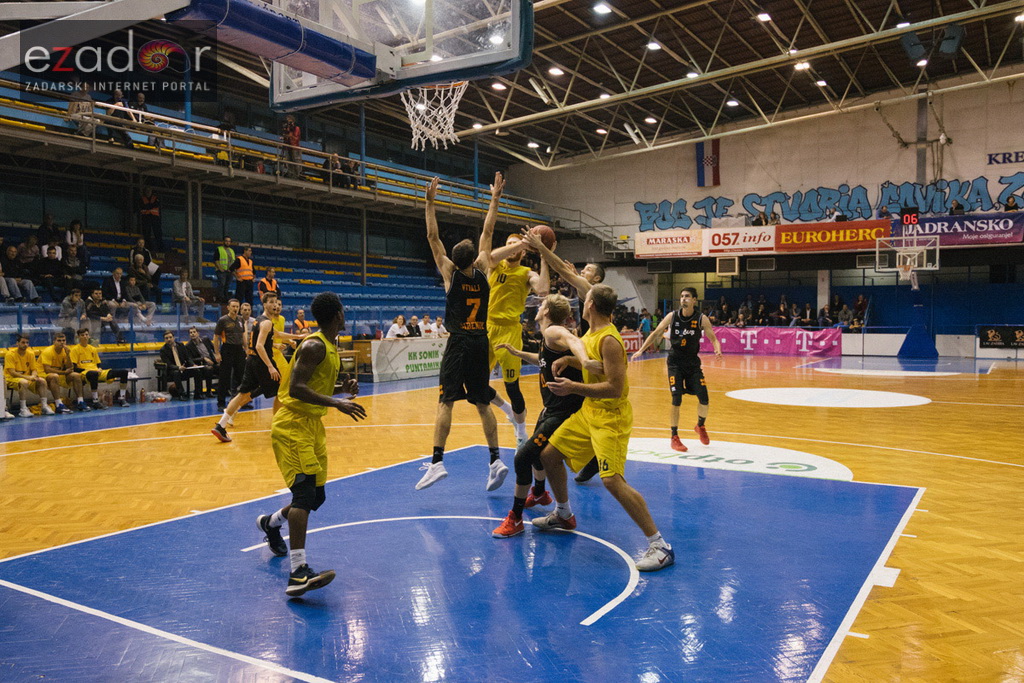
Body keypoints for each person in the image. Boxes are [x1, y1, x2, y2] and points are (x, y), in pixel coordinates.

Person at [533, 284, 675, 572]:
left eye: (585, 298)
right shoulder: (590, 333)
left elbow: (614, 387)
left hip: (611, 417)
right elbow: (594, 367)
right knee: (548, 455)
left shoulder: (609, 340)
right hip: (589, 412)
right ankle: (563, 514)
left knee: (612, 481)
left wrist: (573, 386)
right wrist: (570, 360)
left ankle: (660, 546)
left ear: (591, 306)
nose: (582, 301)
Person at [255, 291, 365, 597]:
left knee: (316, 497)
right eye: (343, 311)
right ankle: (298, 571)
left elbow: (315, 385)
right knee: (303, 495)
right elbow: (296, 388)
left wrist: (342, 389)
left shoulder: (330, 346)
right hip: (293, 424)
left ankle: (271, 523)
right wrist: (337, 403)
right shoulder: (314, 345)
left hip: (312, 426)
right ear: (338, 315)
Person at [415, 175, 514, 491]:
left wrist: (430, 202)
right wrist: (495, 198)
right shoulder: (483, 270)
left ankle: (437, 463)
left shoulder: (450, 274)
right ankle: (495, 460)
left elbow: (432, 236)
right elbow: (488, 231)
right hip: (481, 342)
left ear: (455, 261)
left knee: (446, 402)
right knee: (483, 402)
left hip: (458, 343)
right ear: (473, 259)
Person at [491, 294, 595, 538]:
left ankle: (515, 519)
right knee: (536, 455)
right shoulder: (547, 336)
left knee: (522, 458)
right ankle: (539, 493)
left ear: (546, 311)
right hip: (551, 408)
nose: (538, 307)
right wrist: (518, 353)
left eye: (542, 305)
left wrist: (585, 361)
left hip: (563, 412)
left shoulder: (554, 331)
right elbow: (543, 360)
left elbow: (573, 340)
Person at [521, 228, 607, 482]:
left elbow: (563, 271)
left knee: (587, 409)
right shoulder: (587, 296)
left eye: (588, 270)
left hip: (593, 355)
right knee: (581, 410)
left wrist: (543, 249)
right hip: (587, 352)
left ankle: (598, 457)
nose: (583, 271)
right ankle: (589, 457)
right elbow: (568, 275)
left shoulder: (593, 292)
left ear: (597, 279)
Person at [484, 208, 550, 446]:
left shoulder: (526, 273)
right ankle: (508, 411)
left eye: (517, 245)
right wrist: (521, 242)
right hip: (486, 328)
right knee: (475, 385)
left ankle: (521, 433)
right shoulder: (494, 266)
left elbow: (543, 289)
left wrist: (544, 255)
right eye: (509, 244)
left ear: (523, 252)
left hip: (509, 332)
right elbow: (490, 257)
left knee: (512, 386)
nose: (513, 247)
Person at [632, 286, 722, 453]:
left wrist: (717, 350)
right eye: (681, 296)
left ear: (694, 300)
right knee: (676, 399)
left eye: (687, 296)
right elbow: (656, 333)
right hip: (675, 363)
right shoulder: (672, 316)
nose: (683, 299)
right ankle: (674, 436)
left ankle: (700, 425)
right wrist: (641, 350)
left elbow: (713, 338)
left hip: (692, 364)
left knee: (704, 398)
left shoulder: (701, 319)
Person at [212, 294, 306, 441]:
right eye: (271, 302)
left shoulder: (259, 320)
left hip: (252, 360)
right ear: (264, 304)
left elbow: (277, 334)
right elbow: (259, 346)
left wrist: (297, 337)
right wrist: (270, 366)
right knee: (281, 390)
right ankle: (279, 426)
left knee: (242, 394)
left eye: (276, 302)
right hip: (261, 361)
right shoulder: (266, 322)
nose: (275, 305)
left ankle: (221, 425)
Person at [69, 328, 130, 408]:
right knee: (93, 374)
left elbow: (98, 364)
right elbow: (74, 368)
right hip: (84, 373)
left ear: (89, 336)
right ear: (78, 337)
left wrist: (99, 369)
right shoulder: (74, 350)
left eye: (86, 335)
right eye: (82, 335)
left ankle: (122, 398)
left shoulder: (93, 349)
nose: (85, 337)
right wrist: (88, 370)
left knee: (124, 372)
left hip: (96, 371)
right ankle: (95, 401)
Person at [5, 334, 53, 417]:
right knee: (24, 382)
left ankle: (44, 406)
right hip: (11, 378)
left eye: (27, 343)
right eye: (23, 342)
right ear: (17, 343)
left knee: (42, 381)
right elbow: (12, 372)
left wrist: (34, 375)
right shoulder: (10, 354)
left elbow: (34, 369)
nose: (25, 345)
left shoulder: (30, 353)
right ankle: (23, 409)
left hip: (27, 378)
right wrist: (28, 377)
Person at [213, 299, 246, 410]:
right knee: (224, 377)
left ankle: (241, 402)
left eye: (237, 306)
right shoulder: (223, 320)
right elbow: (216, 337)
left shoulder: (241, 319)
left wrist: (246, 348)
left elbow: (243, 335)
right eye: (233, 306)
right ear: (228, 307)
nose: (235, 309)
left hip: (239, 349)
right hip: (227, 349)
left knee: (241, 377)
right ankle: (221, 403)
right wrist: (217, 353)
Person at [40, 332, 84, 413]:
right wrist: (64, 372)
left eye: (63, 340)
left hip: (59, 373)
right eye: (59, 341)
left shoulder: (65, 351)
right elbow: (47, 369)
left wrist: (68, 355)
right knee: (54, 376)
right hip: (43, 374)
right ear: (54, 342)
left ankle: (80, 401)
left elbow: (70, 367)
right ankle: (58, 404)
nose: (62, 342)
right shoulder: (48, 351)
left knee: (76, 375)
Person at [160, 330, 202, 399]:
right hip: (172, 371)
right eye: (166, 338)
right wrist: (178, 368)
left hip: (184, 368)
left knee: (197, 371)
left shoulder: (181, 345)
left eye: (170, 337)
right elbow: (169, 364)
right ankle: (181, 394)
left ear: (174, 338)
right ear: (164, 340)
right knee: (176, 373)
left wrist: (192, 364)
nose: (169, 339)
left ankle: (198, 393)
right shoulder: (163, 350)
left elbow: (187, 357)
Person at [129, 238, 161, 304]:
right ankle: (147, 303)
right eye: (139, 242)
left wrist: (145, 272)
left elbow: (151, 261)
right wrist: (146, 281)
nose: (141, 244)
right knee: (146, 287)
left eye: (142, 243)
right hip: (140, 280)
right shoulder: (133, 251)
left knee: (158, 270)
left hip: (146, 267)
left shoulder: (146, 251)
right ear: (137, 243)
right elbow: (131, 261)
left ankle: (159, 304)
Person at [139, 187, 164, 252]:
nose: (148, 192)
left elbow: (156, 205)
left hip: (154, 218)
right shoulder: (142, 199)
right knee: (147, 234)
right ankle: (148, 249)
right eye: (147, 190)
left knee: (158, 233)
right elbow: (142, 206)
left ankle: (160, 249)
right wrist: (151, 205)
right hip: (146, 218)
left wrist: (148, 206)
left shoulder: (155, 198)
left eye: (149, 190)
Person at [214, 236, 236, 303]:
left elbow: (233, 261)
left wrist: (232, 270)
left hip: (229, 271)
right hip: (222, 271)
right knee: (222, 284)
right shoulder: (219, 249)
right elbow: (216, 260)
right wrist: (220, 268)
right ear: (223, 241)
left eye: (229, 241)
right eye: (226, 241)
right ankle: (219, 298)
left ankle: (225, 298)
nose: (227, 242)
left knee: (227, 285)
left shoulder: (231, 251)